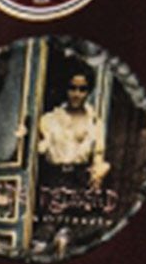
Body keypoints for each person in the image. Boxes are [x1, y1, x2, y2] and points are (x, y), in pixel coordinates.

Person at [34, 62, 110, 191]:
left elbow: (98, 155)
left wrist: (98, 173)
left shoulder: (95, 123)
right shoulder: (49, 119)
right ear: (65, 89)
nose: (76, 94)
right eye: (72, 88)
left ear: (88, 91)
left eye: (82, 89)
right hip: (53, 179)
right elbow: (37, 151)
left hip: (81, 181)